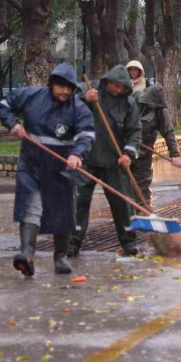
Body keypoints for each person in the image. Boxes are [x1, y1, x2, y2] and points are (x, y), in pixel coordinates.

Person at [0, 63, 95, 276]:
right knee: (31, 207)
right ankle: (26, 255)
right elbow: (4, 103)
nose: (65, 91)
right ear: (52, 83)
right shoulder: (31, 96)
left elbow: (86, 134)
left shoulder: (78, 108)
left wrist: (77, 154)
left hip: (61, 169)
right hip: (32, 165)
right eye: (61, 86)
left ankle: (60, 257)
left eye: (69, 88)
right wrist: (12, 123)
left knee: (62, 213)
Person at [70, 65, 143, 256]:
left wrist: (129, 153)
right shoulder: (90, 93)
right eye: (115, 86)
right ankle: (71, 244)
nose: (118, 90)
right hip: (87, 158)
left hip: (114, 161)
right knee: (79, 203)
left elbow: (135, 131)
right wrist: (84, 100)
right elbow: (67, 110)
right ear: (107, 82)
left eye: (122, 87)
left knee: (123, 204)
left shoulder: (128, 103)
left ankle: (129, 243)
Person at [131, 61, 181, 205]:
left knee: (142, 181)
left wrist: (174, 154)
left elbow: (168, 131)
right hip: (126, 149)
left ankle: (144, 208)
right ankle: (127, 215)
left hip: (145, 151)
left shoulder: (160, 110)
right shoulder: (133, 103)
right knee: (125, 183)